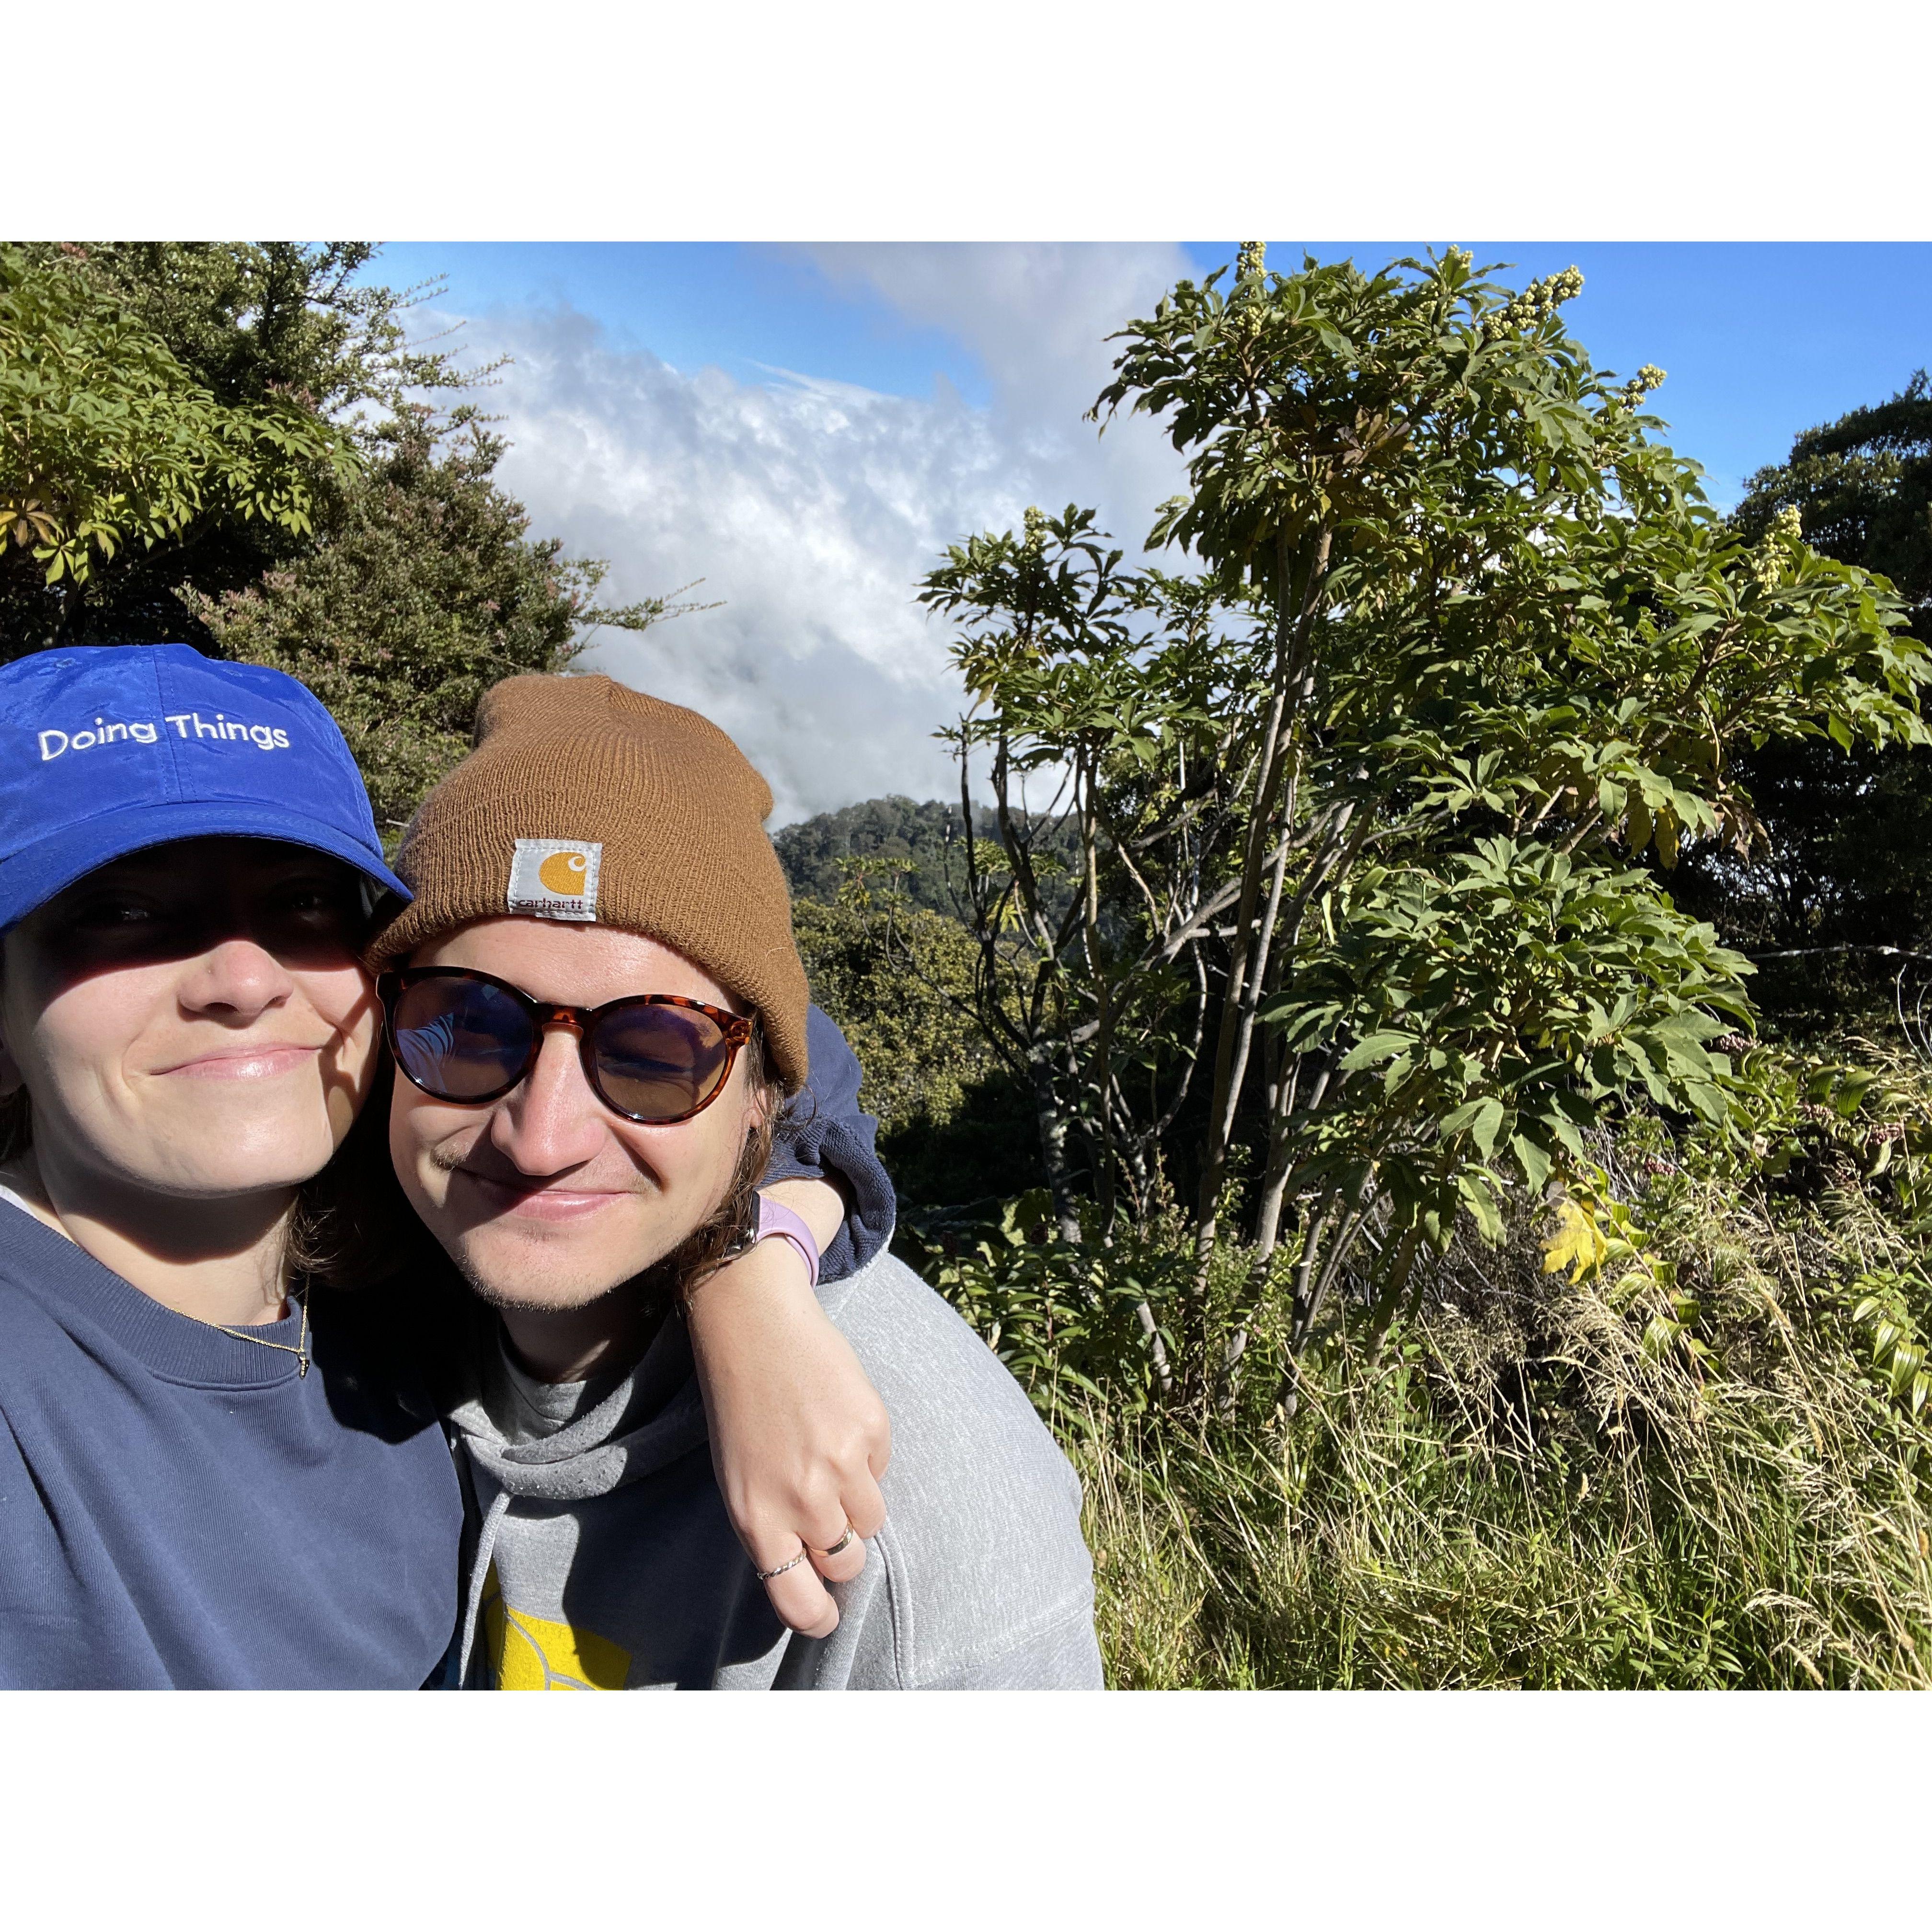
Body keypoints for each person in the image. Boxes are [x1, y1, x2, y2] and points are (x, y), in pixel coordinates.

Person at [0, 644, 895, 1689]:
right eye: (120, 914)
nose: (243, 979)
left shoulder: (414, 1218)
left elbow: (781, 1044)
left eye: (303, 902)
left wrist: (751, 1277)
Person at [374, 672, 1103, 1689]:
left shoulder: (919, 1552)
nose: (542, 1138)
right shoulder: (345, 1284)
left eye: (651, 1054)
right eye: (470, 1026)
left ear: (764, 1096)